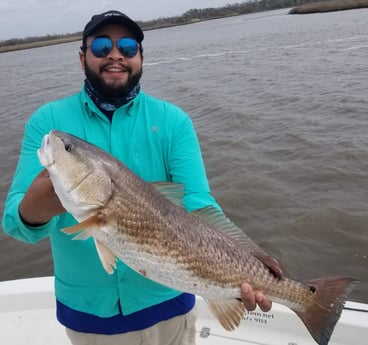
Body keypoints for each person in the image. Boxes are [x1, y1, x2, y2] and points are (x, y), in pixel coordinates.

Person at [2, 10, 276, 345]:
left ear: (141, 57)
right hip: (90, 318)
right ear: (82, 57)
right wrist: (38, 207)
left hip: (170, 305)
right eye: (101, 46)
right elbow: (15, 223)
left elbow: (200, 206)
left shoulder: (173, 121)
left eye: (128, 47)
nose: (115, 54)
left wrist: (251, 257)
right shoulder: (49, 123)